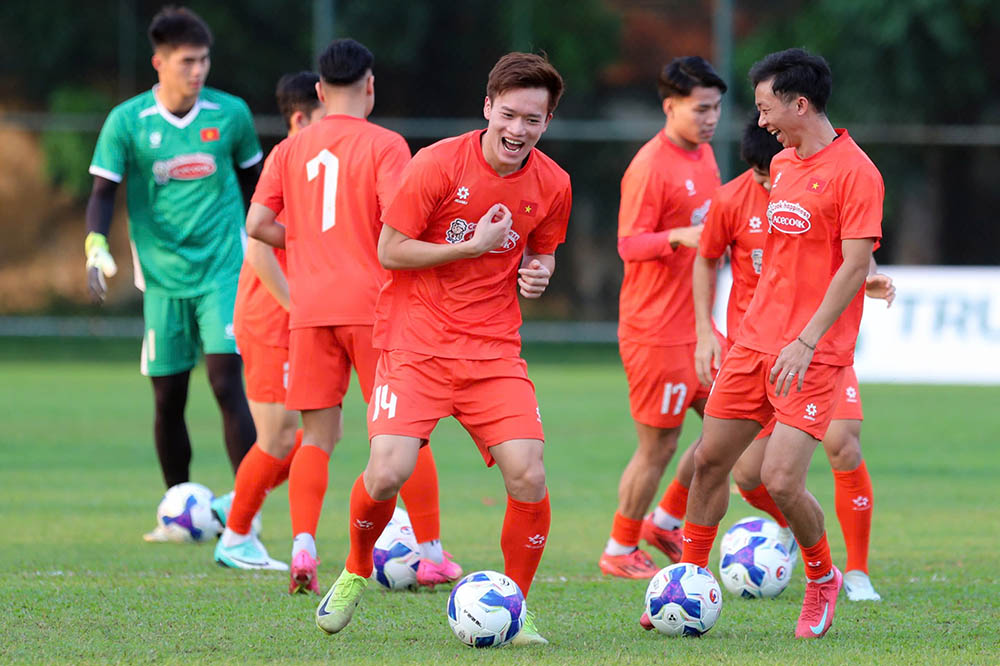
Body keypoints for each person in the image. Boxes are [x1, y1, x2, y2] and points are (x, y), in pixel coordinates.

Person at [313, 51, 571, 646]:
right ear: (487, 108)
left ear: (548, 121)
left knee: (528, 473)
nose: (518, 130)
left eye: (533, 119)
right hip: (416, 343)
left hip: (493, 350)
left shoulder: (553, 183)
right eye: (508, 115)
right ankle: (355, 569)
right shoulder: (435, 164)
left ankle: (516, 605)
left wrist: (538, 272)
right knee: (387, 471)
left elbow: (542, 251)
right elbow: (391, 249)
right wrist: (470, 248)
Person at [676, 48, 885, 639]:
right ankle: (689, 580)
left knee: (781, 480)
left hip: (811, 353)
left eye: (767, 108)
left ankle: (823, 580)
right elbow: (798, 255)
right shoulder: (786, 166)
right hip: (753, 343)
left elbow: (850, 262)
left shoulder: (858, 172)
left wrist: (807, 338)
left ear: (799, 103)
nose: (761, 120)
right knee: (710, 460)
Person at [245, 39, 461, 595]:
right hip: (375, 309)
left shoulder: (290, 150)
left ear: (319, 92)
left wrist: (309, 240)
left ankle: (302, 547)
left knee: (317, 437)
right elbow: (402, 222)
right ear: (370, 86)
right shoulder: (387, 145)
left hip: (310, 311)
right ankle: (433, 553)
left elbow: (258, 224)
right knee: (405, 430)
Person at [85, 5, 260, 542]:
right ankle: (175, 507)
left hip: (223, 270)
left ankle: (246, 520)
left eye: (204, 60)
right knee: (168, 396)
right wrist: (95, 244)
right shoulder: (128, 121)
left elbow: (259, 190)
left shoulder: (230, 115)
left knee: (226, 381)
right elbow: (103, 192)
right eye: (187, 61)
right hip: (160, 278)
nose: (197, 70)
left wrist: (273, 250)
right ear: (159, 62)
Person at [599, 56, 727, 579]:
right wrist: (677, 236)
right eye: (701, 109)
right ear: (670, 106)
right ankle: (619, 547)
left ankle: (668, 519)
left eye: (717, 108)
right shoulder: (651, 165)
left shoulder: (705, 156)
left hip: (698, 328)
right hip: (654, 332)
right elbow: (628, 243)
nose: (711, 118)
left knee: (732, 428)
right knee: (659, 445)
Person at [211, 71, 326, 573]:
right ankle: (235, 535)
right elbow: (258, 248)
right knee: (278, 439)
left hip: (297, 318)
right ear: (301, 118)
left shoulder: (322, 167)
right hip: (273, 318)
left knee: (324, 433)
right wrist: (298, 306)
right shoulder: (288, 164)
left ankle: (235, 500)